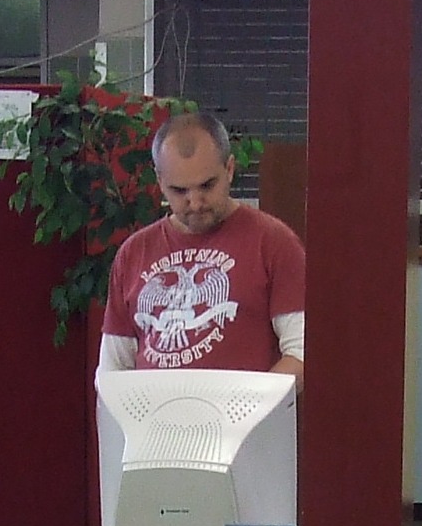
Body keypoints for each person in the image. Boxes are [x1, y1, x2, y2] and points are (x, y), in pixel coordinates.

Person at [97, 108, 304, 379]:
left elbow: (301, 354)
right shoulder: (133, 252)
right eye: (179, 190)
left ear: (229, 169)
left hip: (242, 407)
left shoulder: (274, 243)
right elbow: (112, 370)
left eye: (207, 186)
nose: (195, 203)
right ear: (160, 181)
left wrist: (246, 403)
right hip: (154, 407)